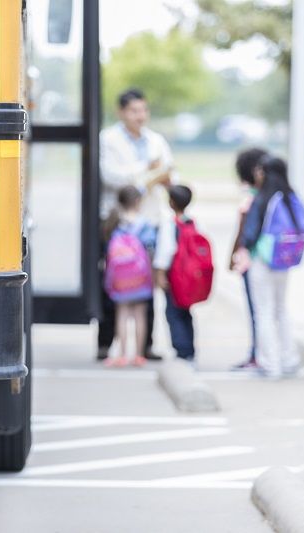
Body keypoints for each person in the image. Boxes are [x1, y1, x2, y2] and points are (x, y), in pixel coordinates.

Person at [98, 88, 175, 362]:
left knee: (147, 282)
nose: (140, 116)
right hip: (119, 221)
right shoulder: (108, 139)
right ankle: (107, 343)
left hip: (148, 221)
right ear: (121, 112)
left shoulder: (155, 140)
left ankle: (145, 346)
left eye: (143, 110)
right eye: (134, 111)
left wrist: (160, 175)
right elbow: (110, 176)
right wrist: (148, 170)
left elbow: (169, 172)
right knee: (115, 280)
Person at [233, 156, 304, 378]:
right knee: (281, 309)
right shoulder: (290, 198)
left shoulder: (263, 199)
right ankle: (289, 359)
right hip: (284, 261)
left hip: (262, 260)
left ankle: (269, 363)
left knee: (263, 311)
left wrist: (243, 250)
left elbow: (250, 233)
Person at [103, 186, 157, 367]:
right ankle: (139, 355)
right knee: (140, 314)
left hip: (120, 278)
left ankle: (123, 354)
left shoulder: (115, 222)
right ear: (138, 202)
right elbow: (151, 249)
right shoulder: (145, 225)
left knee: (122, 314)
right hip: (140, 276)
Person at [228, 148, 267, 370]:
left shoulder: (251, 200)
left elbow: (241, 235)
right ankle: (262, 352)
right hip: (270, 262)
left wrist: (231, 258)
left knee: (256, 311)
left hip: (251, 262)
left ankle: (257, 353)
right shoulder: (271, 197)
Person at [154, 185, 196, 362]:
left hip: (175, 276)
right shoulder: (193, 223)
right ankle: (189, 349)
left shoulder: (170, 225)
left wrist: (160, 275)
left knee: (173, 313)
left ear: (171, 202)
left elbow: (165, 252)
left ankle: (181, 350)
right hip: (190, 276)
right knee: (186, 312)